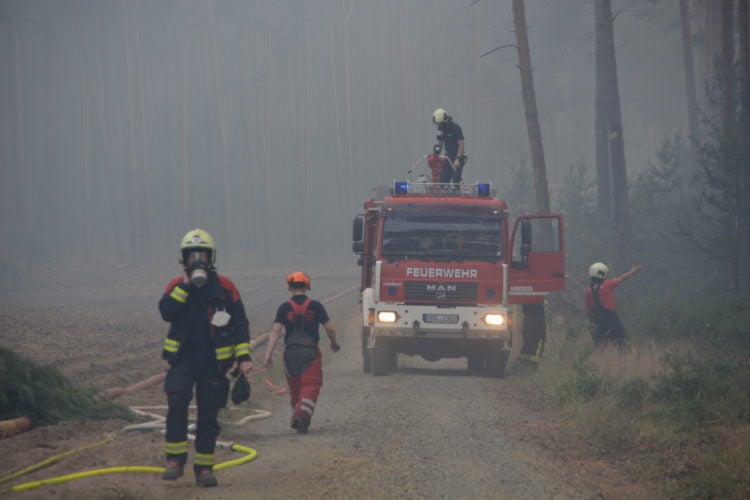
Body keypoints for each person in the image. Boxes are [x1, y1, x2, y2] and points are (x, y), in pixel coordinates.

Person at [158, 228, 253, 487]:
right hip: (182, 361)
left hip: (214, 364)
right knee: (177, 405)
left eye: (202, 255)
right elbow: (167, 313)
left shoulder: (225, 288)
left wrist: (243, 357)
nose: (197, 260)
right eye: (192, 256)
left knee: (208, 415)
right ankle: (174, 461)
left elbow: (240, 324)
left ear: (211, 257)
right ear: (184, 259)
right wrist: (185, 287)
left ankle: (204, 469)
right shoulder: (176, 286)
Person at [263, 271, 340, 434]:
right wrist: (334, 342)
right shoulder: (316, 306)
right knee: (311, 385)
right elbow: (330, 327)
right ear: (307, 286)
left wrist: (268, 354)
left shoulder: (284, 308)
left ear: (290, 287)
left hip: (290, 354)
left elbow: (275, 332)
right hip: (309, 352)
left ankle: (299, 419)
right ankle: (301, 415)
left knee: (295, 387)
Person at [584, 262, 642, 348]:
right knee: (622, 342)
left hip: (596, 320)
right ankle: (627, 358)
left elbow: (588, 307)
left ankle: (600, 360)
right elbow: (622, 278)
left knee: (599, 346)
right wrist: (633, 271)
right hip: (610, 318)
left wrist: (591, 321)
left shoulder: (588, 290)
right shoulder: (608, 284)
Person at [432, 107, 466, 184]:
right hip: (448, 156)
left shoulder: (455, 128)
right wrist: (437, 152)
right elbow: (439, 141)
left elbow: (461, 143)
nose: (439, 126)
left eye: (439, 124)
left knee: (455, 180)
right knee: (443, 179)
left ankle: (457, 188)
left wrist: (458, 159)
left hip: (457, 155)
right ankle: (443, 190)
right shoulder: (441, 129)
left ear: (444, 121)